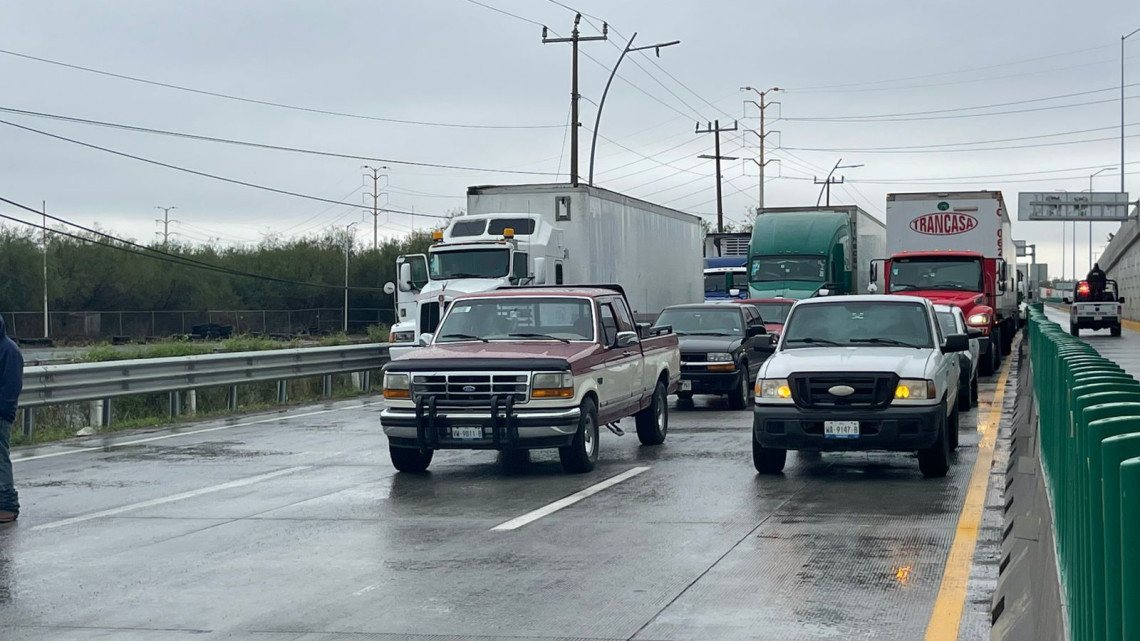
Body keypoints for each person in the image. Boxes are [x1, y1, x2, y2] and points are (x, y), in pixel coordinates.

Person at [0, 314, 22, 524]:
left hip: (1, 413)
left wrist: (4, 411)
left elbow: (12, 387)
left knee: (0, 457)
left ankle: (6, 506)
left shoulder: (9, 350)